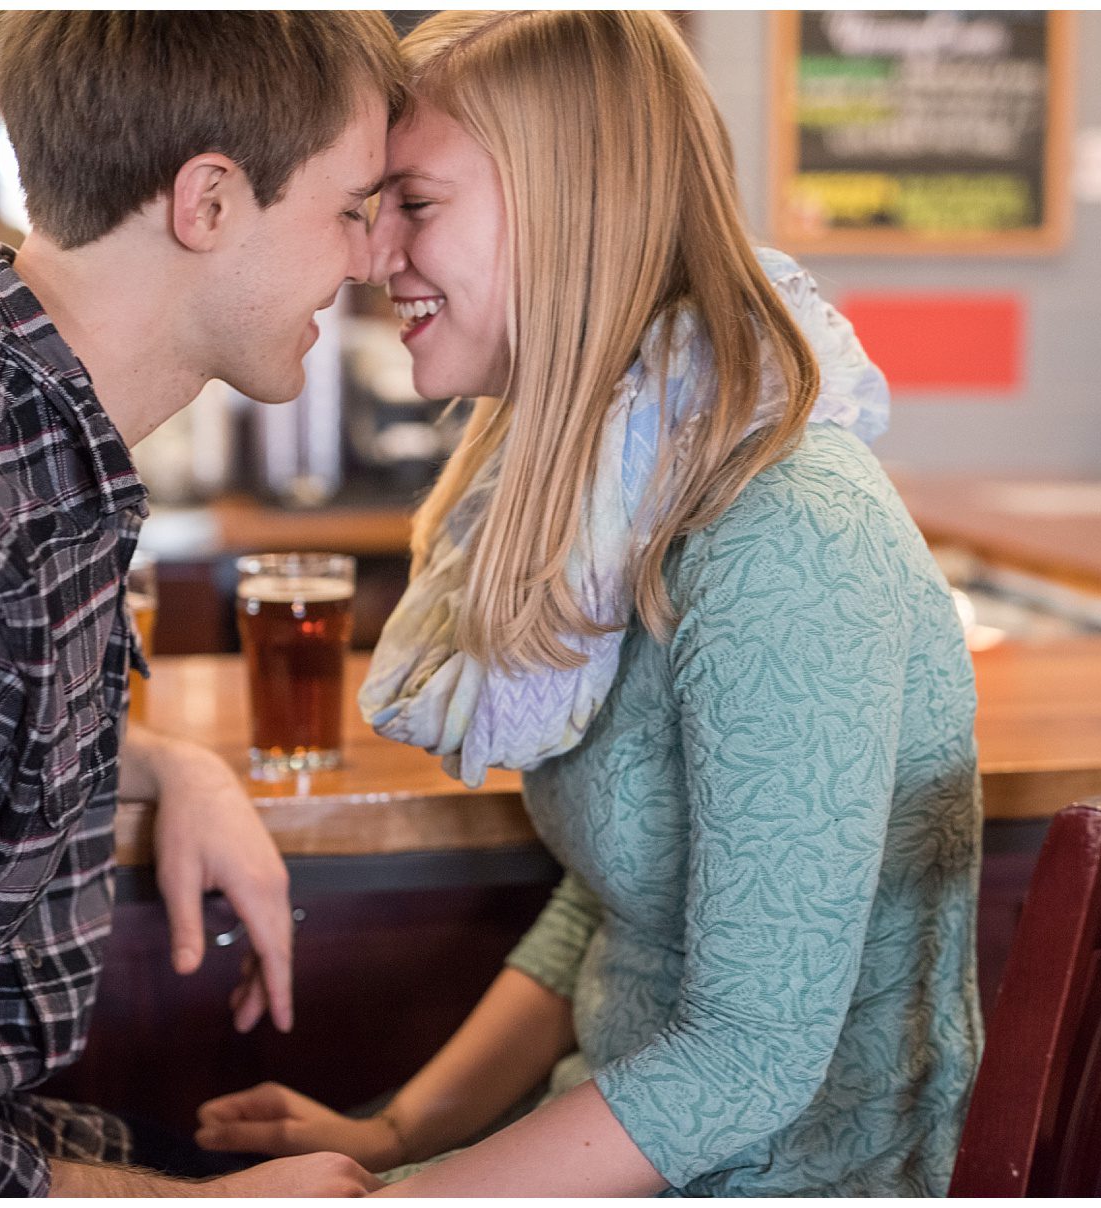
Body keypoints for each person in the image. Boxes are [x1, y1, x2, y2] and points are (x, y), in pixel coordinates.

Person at [194, 10, 982, 1197]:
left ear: (570, 203)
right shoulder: (611, 490)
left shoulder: (781, 530)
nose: (370, 255)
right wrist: (397, 1135)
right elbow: (621, 904)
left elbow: (753, 1058)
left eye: (415, 203)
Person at [0, 12, 401, 1196]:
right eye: (350, 208)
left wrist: (163, 763)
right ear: (207, 203)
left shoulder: (17, 441)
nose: (369, 258)